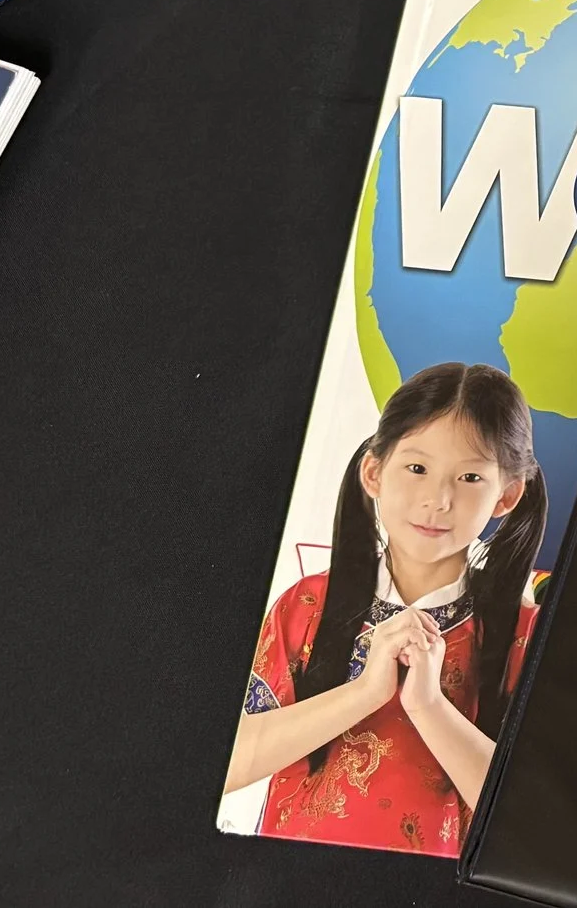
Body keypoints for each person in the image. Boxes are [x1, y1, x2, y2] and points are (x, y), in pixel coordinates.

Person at [227, 362, 548, 856]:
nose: (438, 500)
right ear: (374, 473)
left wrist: (429, 706)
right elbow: (228, 764)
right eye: (417, 469)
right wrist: (365, 692)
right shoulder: (306, 605)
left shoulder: (527, 636)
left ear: (506, 496)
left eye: (469, 477)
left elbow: (534, 825)